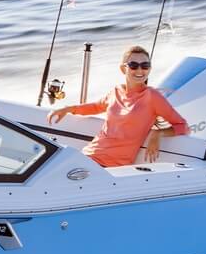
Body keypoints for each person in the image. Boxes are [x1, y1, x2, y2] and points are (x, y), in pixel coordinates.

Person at [47, 45, 189, 167]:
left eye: (145, 66)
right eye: (133, 65)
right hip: (88, 156)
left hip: (113, 167)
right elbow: (96, 107)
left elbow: (183, 126)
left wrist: (157, 134)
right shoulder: (116, 91)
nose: (140, 70)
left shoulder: (153, 97)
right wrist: (68, 109)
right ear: (123, 69)